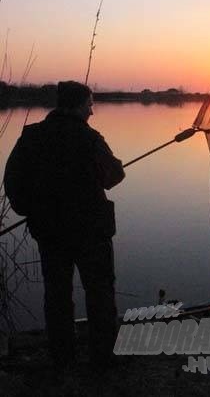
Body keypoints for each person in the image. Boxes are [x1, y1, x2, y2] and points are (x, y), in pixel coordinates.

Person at [4, 81, 125, 371]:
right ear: (79, 105)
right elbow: (113, 176)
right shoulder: (90, 138)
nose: (92, 111)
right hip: (91, 233)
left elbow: (12, 181)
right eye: (90, 104)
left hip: (49, 232)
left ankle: (62, 358)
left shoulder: (30, 137)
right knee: (99, 295)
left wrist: (30, 210)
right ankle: (103, 359)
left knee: (56, 295)